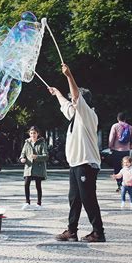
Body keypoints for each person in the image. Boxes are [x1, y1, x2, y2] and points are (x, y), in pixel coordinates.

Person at [49, 63, 105, 243]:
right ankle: (71, 231)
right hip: (75, 164)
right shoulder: (75, 115)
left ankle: (98, 232)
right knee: (74, 198)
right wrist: (57, 92)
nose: (73, 103)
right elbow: (66, 103)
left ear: (84, 102)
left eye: (76, 101)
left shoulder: (88, 114)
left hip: (86, 163)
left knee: (88, 199)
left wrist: (69, 76)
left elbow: (75, 96)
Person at [19, 126, 48, 210]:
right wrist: (22, 159)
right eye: (31, 133)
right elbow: (22, 154)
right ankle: (27, 202)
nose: (33, 135)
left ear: (37, 134)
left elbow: (46, 156)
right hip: (28, 167)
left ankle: (39, 203)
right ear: (29, 134)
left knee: (38, 185)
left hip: (38, 168)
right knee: (26, 184)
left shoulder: (42, 143)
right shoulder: (27, 143)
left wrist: (37, 157)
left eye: (34, 133)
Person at [108, 112, 132, 192]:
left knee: (117, 168)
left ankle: (120, 185)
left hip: (116, 151)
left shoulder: (115, 126)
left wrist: (110, 146)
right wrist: (130, 146)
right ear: (125, 119)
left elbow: (111, 138)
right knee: (126, 168)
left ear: (117, 118)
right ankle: (126, 184)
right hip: (126, 151)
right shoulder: (130, 127)